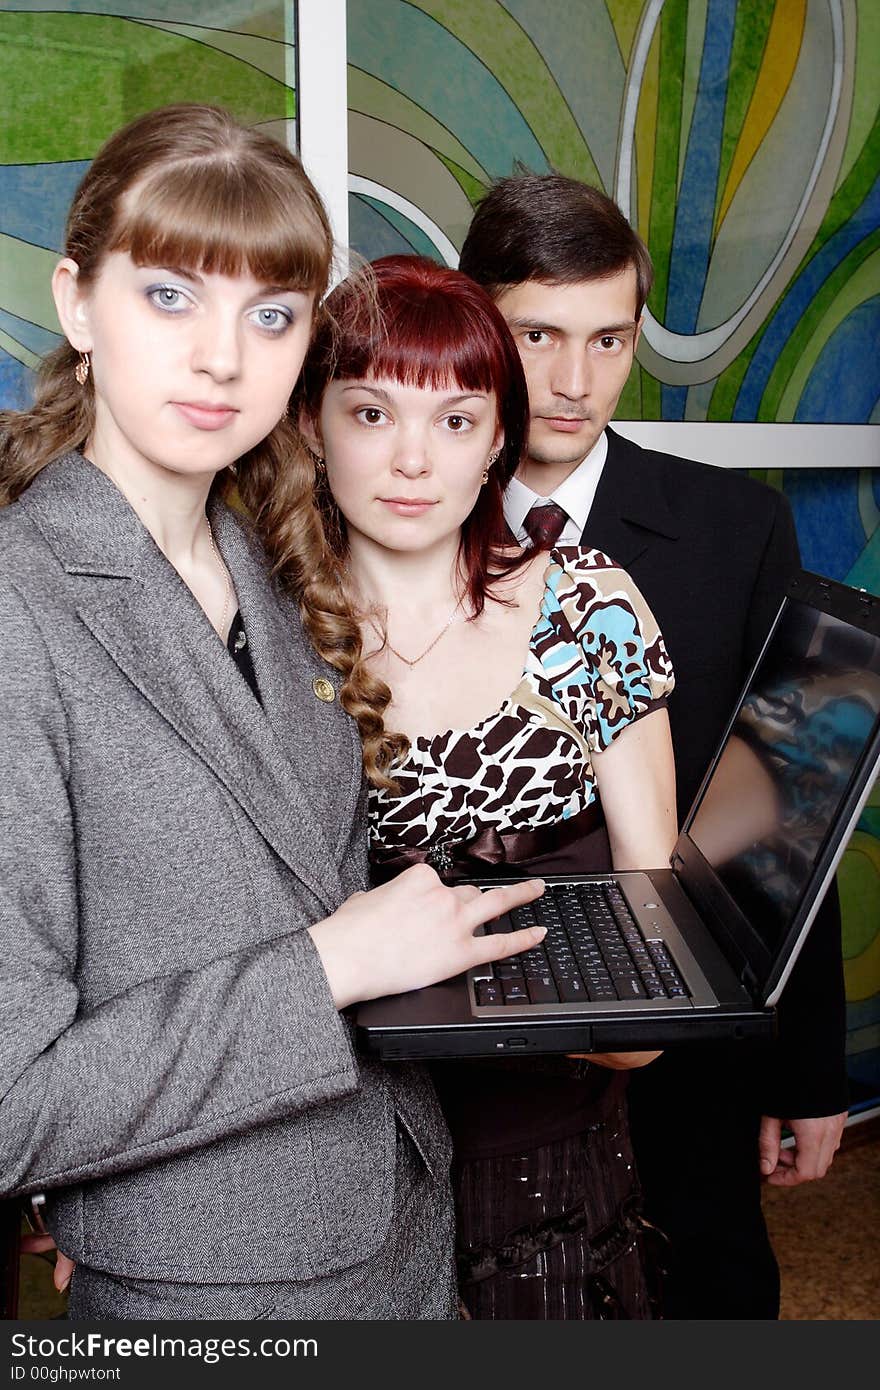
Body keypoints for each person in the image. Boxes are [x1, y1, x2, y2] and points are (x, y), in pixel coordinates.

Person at [0, 106, 548, 1322]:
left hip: (403, 1210)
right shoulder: (19, 607)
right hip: (214, 1286)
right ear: (78, 302)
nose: (222, 360)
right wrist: (331, 964)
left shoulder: (271, 557)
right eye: (170, 297)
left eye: (270, 314)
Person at [457, 173, 849, 1319]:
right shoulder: (389, 511)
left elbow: (784, 809)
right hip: (466, 1064)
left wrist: (806, 1067)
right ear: (478, 323)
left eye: (608, 340)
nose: (573, 383)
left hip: (686, 1057)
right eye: (536, 335)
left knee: (706, 1298)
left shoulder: (736, 527)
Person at [292, 254, 677, 1319]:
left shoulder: (586, 605)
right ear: (311, 424)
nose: (412, 459)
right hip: (334, 1136)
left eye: (456, 421)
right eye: (371, 412)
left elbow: (656, 950)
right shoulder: (263, 627)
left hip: (543, 1148)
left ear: (497, 439)